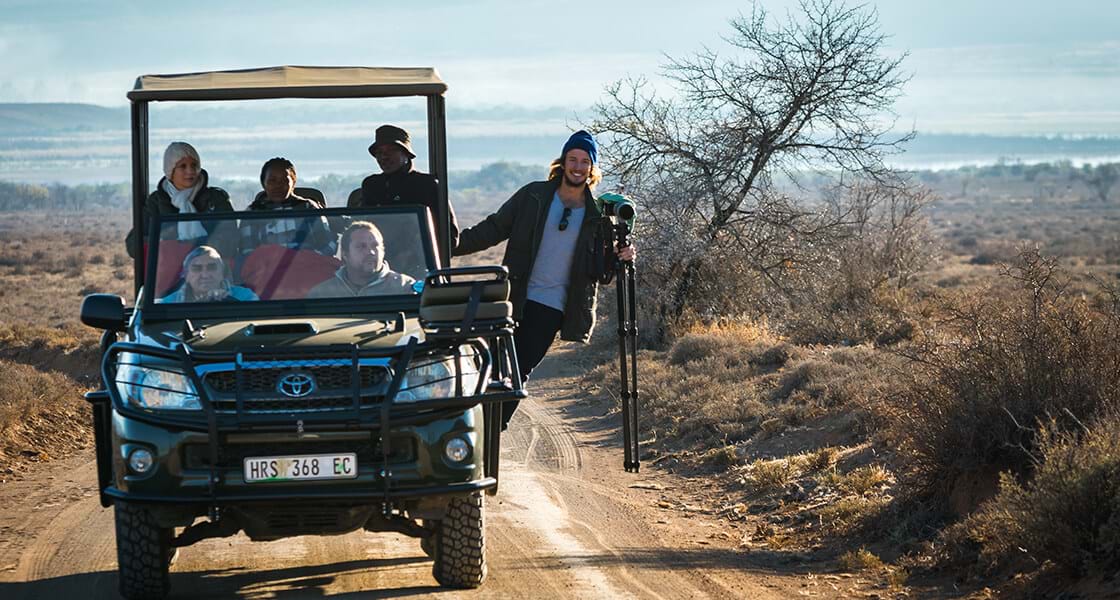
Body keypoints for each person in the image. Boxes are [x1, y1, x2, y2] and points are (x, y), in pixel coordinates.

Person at [453, 130, 636, 429]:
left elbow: (602, 273)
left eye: (585, 162)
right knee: (493, 367)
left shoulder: (596, 217)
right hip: (513, 298)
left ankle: (493, 431)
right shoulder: (533, 196)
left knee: (519, 370)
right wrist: (450, 246)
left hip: (552, 307)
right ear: (562, 162)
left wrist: (621, 256)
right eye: (572, 159)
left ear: (592, 169)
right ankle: (476, 432)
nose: (577, 167)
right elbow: (494, 228)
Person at [349, 124, 459, 258]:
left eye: (390, 151)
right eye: (379, 153)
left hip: (418, 265)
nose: (384, 157)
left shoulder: (427, 185)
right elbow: (363, 229)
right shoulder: (372, 185)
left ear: (406, 153)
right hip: (378, 263)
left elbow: (450, 238)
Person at [125, 142, 232, 258]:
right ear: (170, 171)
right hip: (169, 268)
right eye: (183, 166)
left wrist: (199, 250)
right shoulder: (156, 202)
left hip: (209, 266)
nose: (190, 171)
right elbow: (133, 245)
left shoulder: (216, 199)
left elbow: (231, 239)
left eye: (194, 165)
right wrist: (165, 242)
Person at [240, 157, 337, 257]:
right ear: (264, 183)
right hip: (268, 266)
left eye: (284, 181)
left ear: (293, 182)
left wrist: (309, 259)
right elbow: (248, 253)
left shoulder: (308, 208)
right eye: (272, 181)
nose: (278, 186)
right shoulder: (252, 213)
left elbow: (329, 245)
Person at [306, 221, 416, 298]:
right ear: (345, 254)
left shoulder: (405, 288)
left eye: (375, 246)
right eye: (361, 246)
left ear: (383, 251)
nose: (371, 252)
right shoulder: (322, 293)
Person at [157, 246, 258, 303]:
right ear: (186, 275)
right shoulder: (168, 303)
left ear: (222, 272)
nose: (205, 275)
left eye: (211, 268)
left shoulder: (245, 297)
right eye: (197, 269)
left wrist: (229, 302)